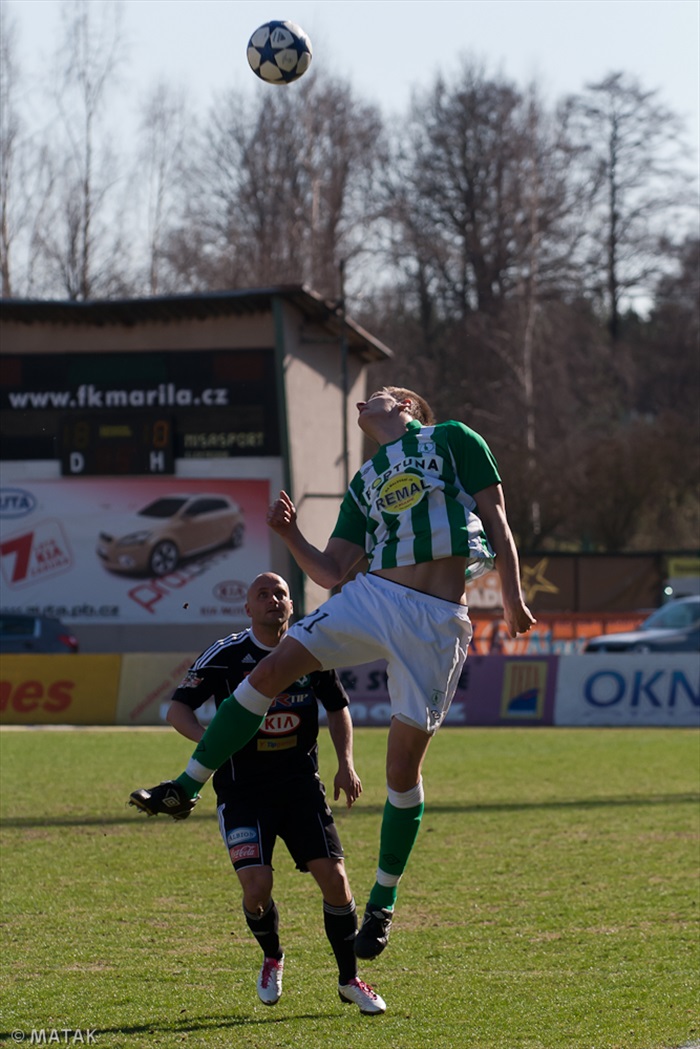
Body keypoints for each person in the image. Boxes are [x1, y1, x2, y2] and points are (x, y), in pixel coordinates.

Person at [130, 386, 536, 960]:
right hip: (372, 597)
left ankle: (382, 903)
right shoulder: (366, 481)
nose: (360, 405)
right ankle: (185, 785)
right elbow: (330, 570)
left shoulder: (452, 439)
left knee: (401, 772)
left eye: (372, 395)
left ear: (403, 405)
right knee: (272, 669)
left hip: (435, 621)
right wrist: (288, 534)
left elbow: (495, 515)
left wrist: (512, 599)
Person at [132, 572, 385, 1015]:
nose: (274, 600)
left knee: (337, 880)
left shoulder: (311, 650)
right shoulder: (228, 654)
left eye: (282, 594)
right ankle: (273, 956)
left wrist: (346, 763)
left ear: (292, 605)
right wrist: (212, 744)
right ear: (248, 608)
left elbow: (338, 707)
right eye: (263, 595)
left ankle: (350, 980)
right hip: (242, 791)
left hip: (300, 787)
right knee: (257, 887)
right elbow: (178, 709)